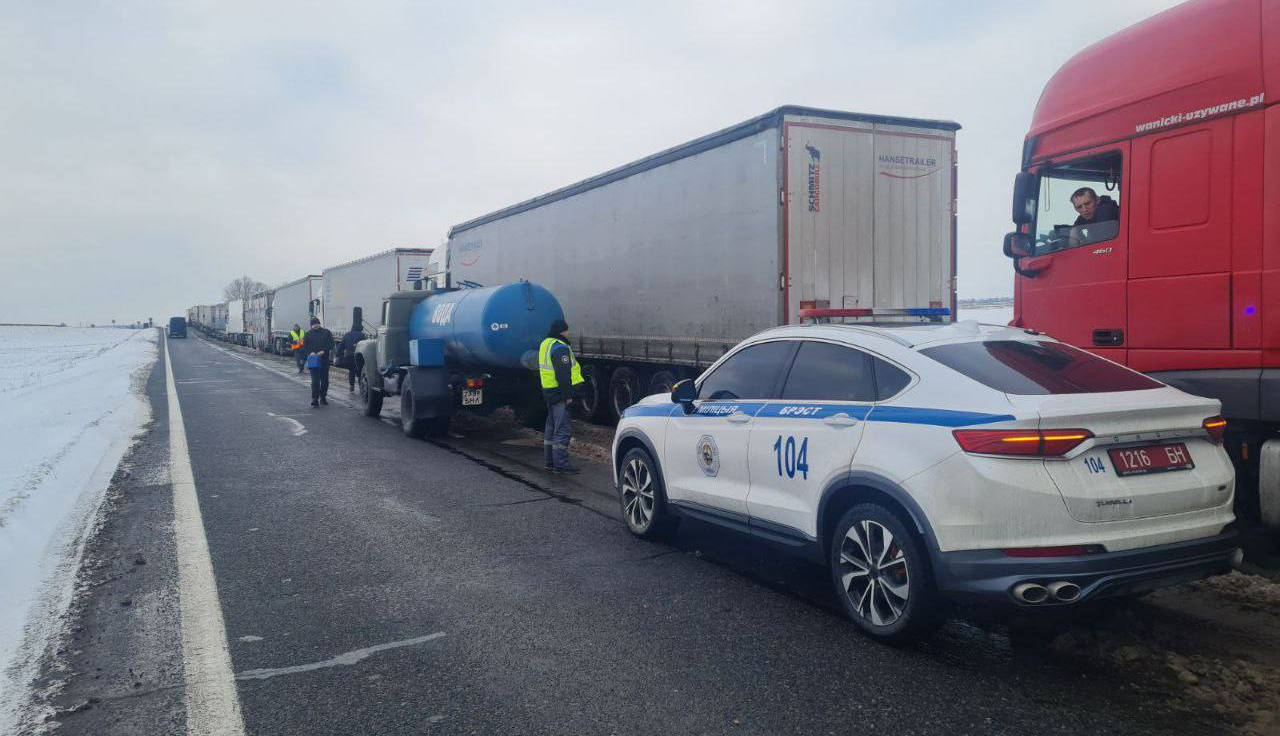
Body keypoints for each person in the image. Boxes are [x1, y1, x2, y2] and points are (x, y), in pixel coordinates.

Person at [538, 319, 585, 473]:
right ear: (561, 331)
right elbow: (563, 375)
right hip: (559, 395)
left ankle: (549, 462)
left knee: (551, 429)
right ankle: (561, 464)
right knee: (562, 429)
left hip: (550, 393)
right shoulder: (559, 347)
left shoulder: (546, 344)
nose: (568, 333)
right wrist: (568, 395)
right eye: (566, 330)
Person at [301, 317, 334, 407]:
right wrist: (310, 352)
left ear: (319, 324)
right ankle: (315, 399)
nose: (315, 325)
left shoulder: (326, 332)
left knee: (324, 380)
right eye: (313, 324)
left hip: (324, 358)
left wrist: (324, 351)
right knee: (315, 380)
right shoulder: (308, 334)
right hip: (313, 358)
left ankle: (323, 397)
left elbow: (331, 344)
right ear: (311, 326)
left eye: (317, 323)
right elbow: (304, 346)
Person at [337, 324, 365, 392]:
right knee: (360, 371)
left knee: (351, 371)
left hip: (348, 357)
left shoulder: (347, 335)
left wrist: (338, 356)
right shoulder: (362, 335)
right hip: (358, 357)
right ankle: (361, 387)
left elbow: (341, 347)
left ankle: (351, 386)